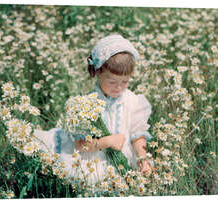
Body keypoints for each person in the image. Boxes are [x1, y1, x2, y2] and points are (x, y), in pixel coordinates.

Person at [34, 34, 152, 185]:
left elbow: (137, 136)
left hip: (125, 155)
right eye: (112, 81)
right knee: (93, 180)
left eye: (125, 81)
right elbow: (81, 145)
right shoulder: (85, 106)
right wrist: (107, 141)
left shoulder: (133, 101)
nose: (119, 87)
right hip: (94, 158)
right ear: (98, 73)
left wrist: (142, 159)